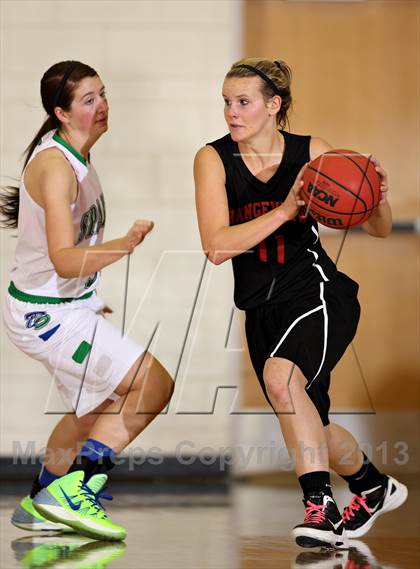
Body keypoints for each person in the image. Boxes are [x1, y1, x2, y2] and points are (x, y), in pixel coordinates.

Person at [194, 58, 407, 549]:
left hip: (317, 294)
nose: (231, 112)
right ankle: (371, 486)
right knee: (312, 421)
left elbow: (378, 226)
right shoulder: (212, 159)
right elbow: (218, 247)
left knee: (281, 379)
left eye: (243, 102)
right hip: (260, 308)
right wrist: (287, 209)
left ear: (274, 105)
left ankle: (318, 507)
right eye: (226, 102)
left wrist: (376, 195)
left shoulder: (313, 155)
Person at [1, 60, 174, 541]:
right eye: (87, 100)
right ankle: (78, 492)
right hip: (47, 315)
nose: (102, 106)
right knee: (154, 386)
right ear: (61, 111)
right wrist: (125, 244)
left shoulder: (73, 155)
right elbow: (62, 259)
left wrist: (86, 295)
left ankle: (40, 502)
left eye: (103, 94)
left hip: (59, 306)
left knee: (91, 414)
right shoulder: (57, 168)